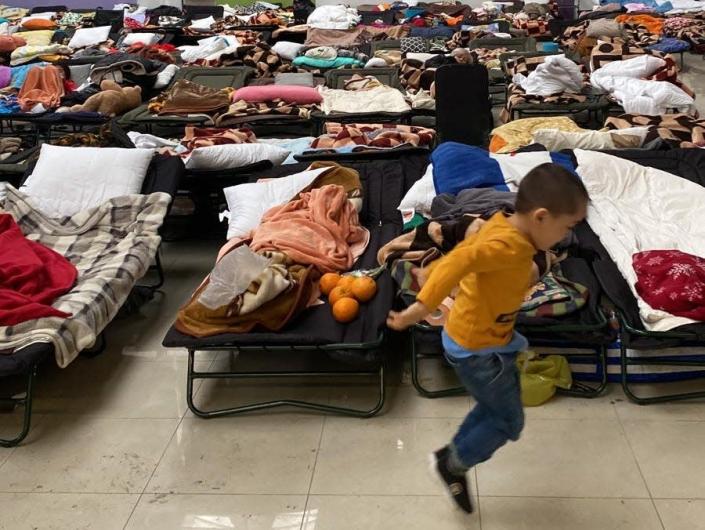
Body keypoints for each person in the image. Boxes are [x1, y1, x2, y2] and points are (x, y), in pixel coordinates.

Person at [386, 163, 589, 513]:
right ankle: (453, 463)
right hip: (478, 348)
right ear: (541, 217)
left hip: (488, 337)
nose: (565, 236)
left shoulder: (506, 225)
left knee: (491, 408)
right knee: (509, 422)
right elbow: (461, 260)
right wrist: (420, 307)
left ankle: (450, 456)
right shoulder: (505, 245)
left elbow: (466, 255)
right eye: (567, 227)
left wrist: (429, 271)